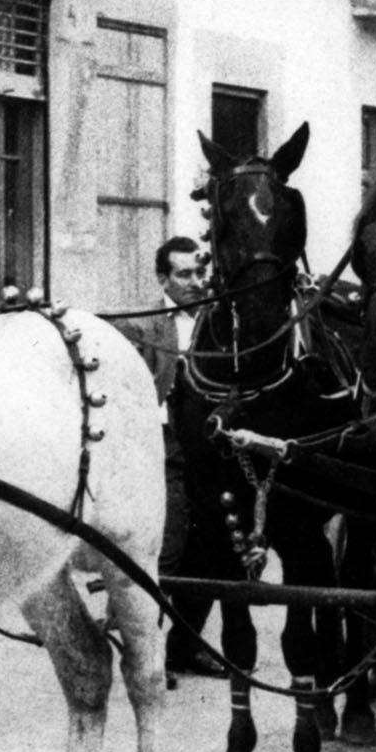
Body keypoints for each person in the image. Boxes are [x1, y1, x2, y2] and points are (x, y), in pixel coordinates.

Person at [126, 237, 224, 680]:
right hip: (165, 446)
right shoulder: (142, 326)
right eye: (183, 274)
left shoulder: (218, 319)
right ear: (163, 279)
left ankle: (185, 647)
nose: (195, 282)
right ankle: (146, 655)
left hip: (212, 445)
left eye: (199, 272)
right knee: (167, 548)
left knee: (210, 549)